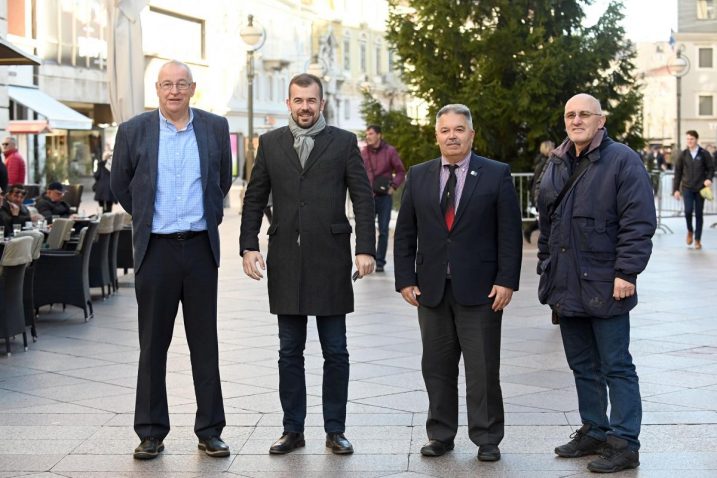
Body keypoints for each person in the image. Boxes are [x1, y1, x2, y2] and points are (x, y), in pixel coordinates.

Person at [240, 73, 376, 456]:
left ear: (321, 104)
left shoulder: (344, 143)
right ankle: (292, 430)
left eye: (311, 101)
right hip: (285, 260)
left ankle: (335, 430)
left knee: (336, 350)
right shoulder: (269, 144)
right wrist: (248, 245)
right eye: (298, 101)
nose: (304, 107)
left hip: (331, 261)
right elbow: (254, 198)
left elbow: (363, 199)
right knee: (289, 351)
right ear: (288, 103)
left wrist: (366, 249)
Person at [110, 60, 232, 460]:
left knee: (204, 343)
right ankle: (150, 432)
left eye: (181, 84)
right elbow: (121, 185)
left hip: (199, 248)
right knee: (153, 344)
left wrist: (205, 220)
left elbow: (221, 181)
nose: (174, 91)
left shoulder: (214, 128)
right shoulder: (133, 131)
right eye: (167, 84)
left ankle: (210, 430)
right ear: (157, 90)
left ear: (193, 88)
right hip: (156, 250)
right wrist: (148, 217)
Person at [394, 104, 522, 462]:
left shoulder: (496, 174)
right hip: (431, 290)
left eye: (459, 129)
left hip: (481, 290)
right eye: (445, 129)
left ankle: (486, 437)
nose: (452, 135)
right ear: (436, 135)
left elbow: (509, 234)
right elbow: (405, 231)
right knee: (436, 367)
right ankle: (440, 434)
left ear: (471, 134)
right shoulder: (419, 175)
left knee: (482, 369)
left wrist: (506, 281)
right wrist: (405, 278)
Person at [537, 93, 656, 473]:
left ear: (600, 120)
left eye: (584, 114)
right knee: (582, 365)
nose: (576, 120)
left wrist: (627, 272)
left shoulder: (623, 160)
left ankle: (624, 443)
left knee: (616, 365)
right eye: (570, 114)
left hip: (607, 282)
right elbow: (546, 221)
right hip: (565, 283)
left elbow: (638, 221)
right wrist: (545, 265)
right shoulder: (557, 162)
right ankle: (594, 430)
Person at [360, 124, 405, 272]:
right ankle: (369, 258)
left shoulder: (390, 151)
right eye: (367, 134)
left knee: (384, 230)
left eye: (371, 134)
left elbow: (400, 171)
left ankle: (380, 262)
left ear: (379, 135)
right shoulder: (363, 152)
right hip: (368, 197)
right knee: (367, 228)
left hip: (384, 197)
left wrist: (394, 186)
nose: (368, 136)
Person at [672, 130, 714, 250]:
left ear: (696, 139)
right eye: (688, 139)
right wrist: (676, 189)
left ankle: (697, 240)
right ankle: (690, 230)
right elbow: (678, 172)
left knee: (699, 214)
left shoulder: (704, 154)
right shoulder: (683, 154)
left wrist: (709, 179)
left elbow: (711, 169)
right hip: (687, 188)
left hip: (700, 188)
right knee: (688, 211)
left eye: (692, 139)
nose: (689, 141)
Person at [524, 139, 555, 243]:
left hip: (539, 193)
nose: (554, 150)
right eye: (552, 148)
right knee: (545, 219)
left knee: (544, 218)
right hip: (541, 194)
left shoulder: (542, 161)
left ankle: (530, 231)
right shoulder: (544, 163)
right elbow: (539, 181)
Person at [93, 144, 115, 213]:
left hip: (101, 188)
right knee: (109, 206)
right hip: (110, 188)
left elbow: (96, 175)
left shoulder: (100, 164)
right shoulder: (113, 165)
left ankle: (104, 216)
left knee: (103, 207)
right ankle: (108, 216)